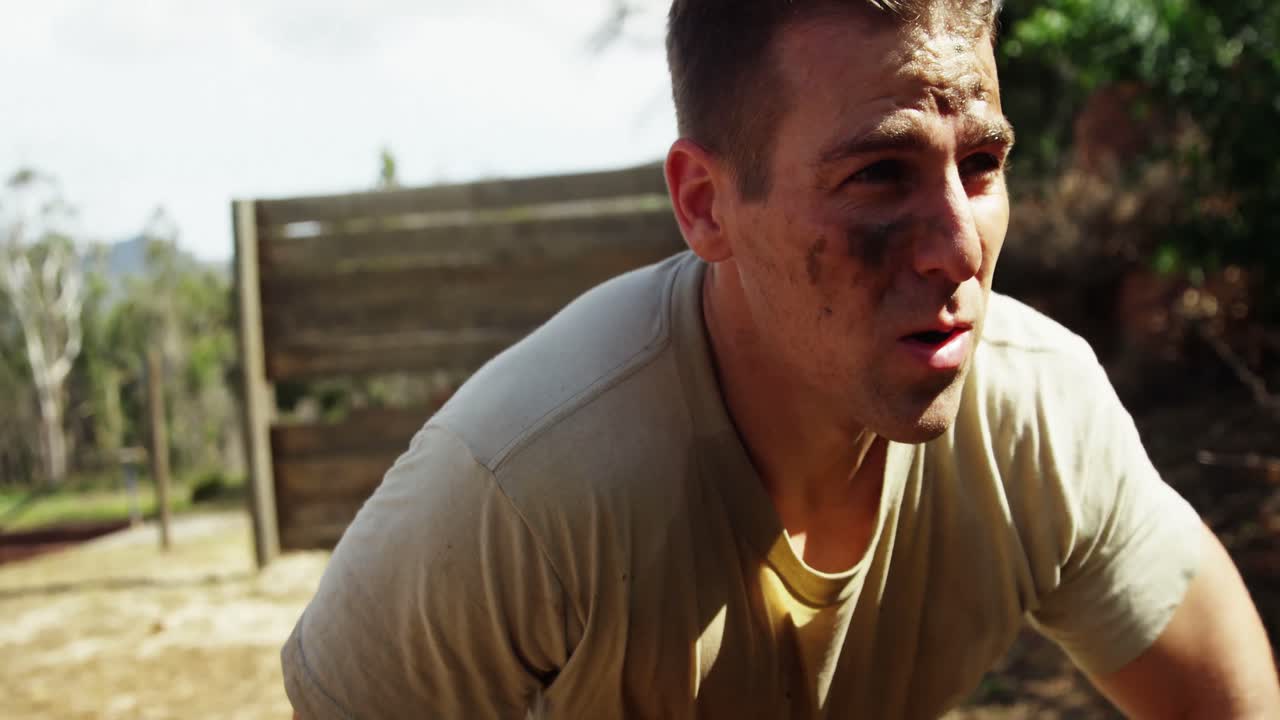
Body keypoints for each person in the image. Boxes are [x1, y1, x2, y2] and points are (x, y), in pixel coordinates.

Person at [282, 1, 1280, 717]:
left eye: (979, 165)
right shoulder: (518, 490)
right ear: (705, 205)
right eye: (877, 173)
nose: (958, 244)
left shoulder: (1034, 413)